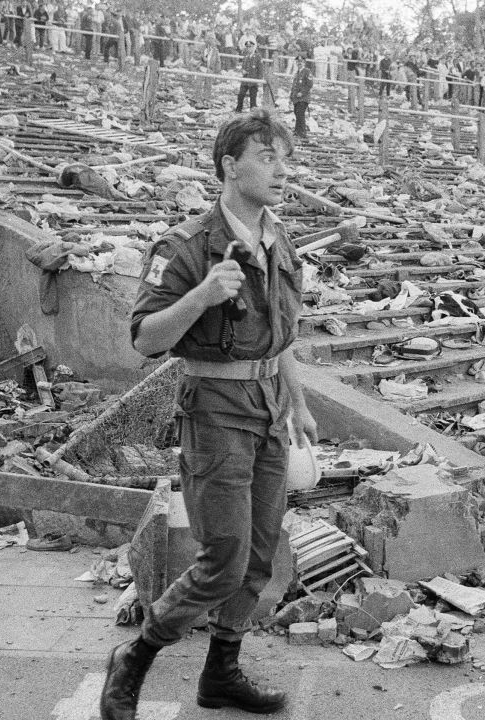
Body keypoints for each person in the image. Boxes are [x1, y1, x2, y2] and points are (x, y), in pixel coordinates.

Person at [101, 109, 314, 720]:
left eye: (284, 158)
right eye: (267, 157)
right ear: (229, 166)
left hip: (270, 408)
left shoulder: (279, 240)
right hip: (215, 411)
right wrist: (200, 296)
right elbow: (143, 340)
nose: (281, 170)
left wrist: (296, 402)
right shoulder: (187, 247)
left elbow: (283, 336)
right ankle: (134, 657)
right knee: (222, 559)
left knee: (259, 556)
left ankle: (220, 672)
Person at [235, 38, 263, 112]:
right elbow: (243, 67)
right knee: (240, 95)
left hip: (253, 81)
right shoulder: (246, 57)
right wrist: (243, 71)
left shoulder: (257, 57)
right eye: (247, 47)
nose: (248, 48)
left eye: (250, 46)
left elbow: (260, 70)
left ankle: (253, 112)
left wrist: (259, 81)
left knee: (253, 98)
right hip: (245, 80)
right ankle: (238, 110)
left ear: (254, 47)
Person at [291, 58, 313, 139]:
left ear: (304, 62)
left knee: (300, 114)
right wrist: (291, 96)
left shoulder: (307, 71)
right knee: (297, 113)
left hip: (303, 98)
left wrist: (302, 93)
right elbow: (294, 86)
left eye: (301, 62)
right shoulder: (297, 73)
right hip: (296, 98)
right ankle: (297, 131)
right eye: (298, 62)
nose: (299, 63)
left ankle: (303, 132)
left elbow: (309, 84)